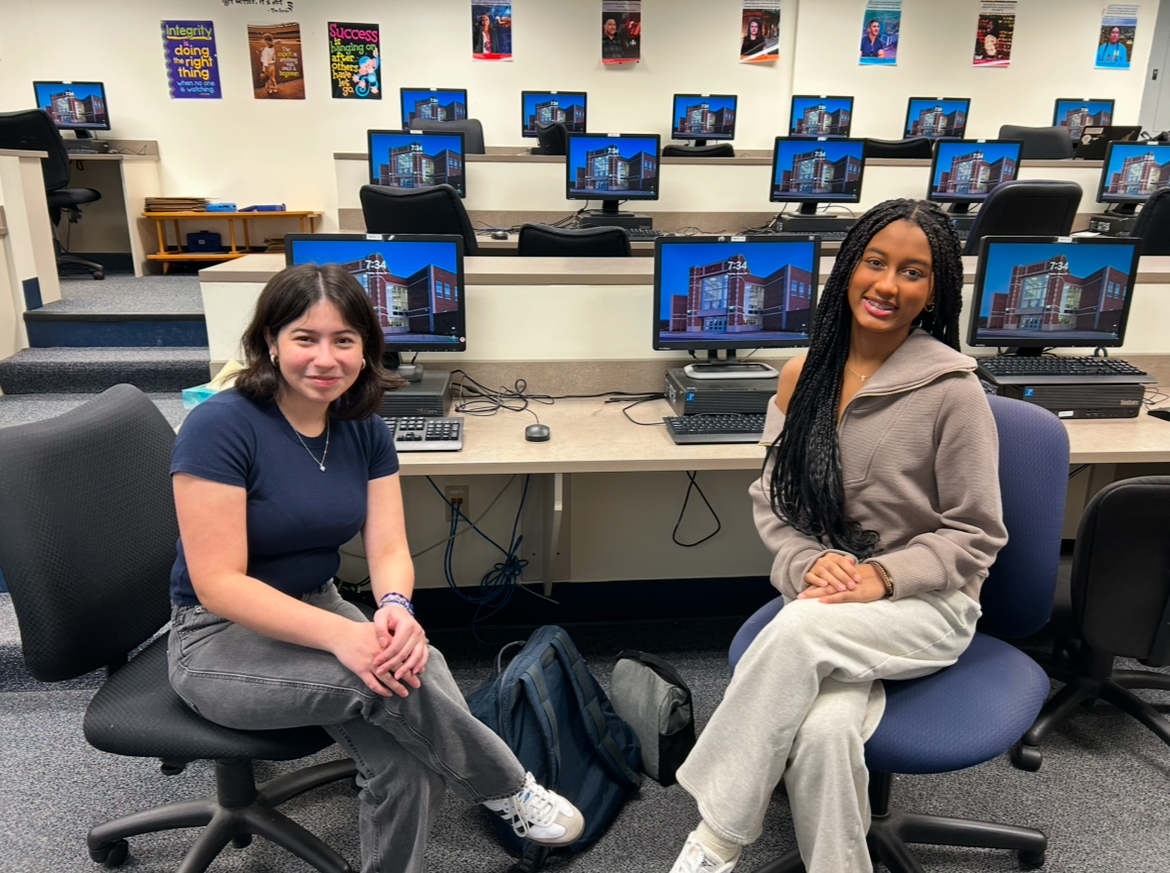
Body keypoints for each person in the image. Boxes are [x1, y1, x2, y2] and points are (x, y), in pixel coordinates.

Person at [166, 264, 584, 873]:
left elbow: (389, 548)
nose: (326, 358)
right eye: (305, 338)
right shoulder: (219, 427)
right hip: (215, 636)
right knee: (382, 683)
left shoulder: (362, 426)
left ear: (367, 349)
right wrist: (348, 637)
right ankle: (507, 786)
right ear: (270, 342)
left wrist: (394, 610)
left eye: (344, 340)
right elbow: (219, 583)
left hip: (319, 601)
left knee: (412, 725)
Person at [667, 199, 1007, 873]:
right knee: (824, 732)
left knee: (794, 631)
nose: (887, 285)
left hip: (928, 604)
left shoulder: (954, 391)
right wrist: (810, 561)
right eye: (875, 262)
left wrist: (881, 576)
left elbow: (976, 532)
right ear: (848, 267)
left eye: (912, 271)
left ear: (935, 290)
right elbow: (775, 497)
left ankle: (717, 836)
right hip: (832, 596)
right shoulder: (803, 376)